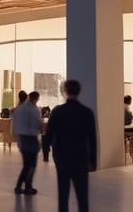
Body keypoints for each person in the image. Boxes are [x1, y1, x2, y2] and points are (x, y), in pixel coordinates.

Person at [43, 80, 97, 212]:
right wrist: (93, 161)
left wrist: (46, 152)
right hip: (80, 157)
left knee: (63, 193)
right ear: (79, 92)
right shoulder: (87, 112)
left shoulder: (57, 111)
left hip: (62, 157)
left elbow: (48, 134)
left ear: (65, 92)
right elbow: (92, 138)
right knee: (82, 194)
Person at [12, 91, 42, 196]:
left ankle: (23, 186)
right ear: (37, 98)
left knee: (27, 165)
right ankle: (25, 186)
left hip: (22, 139)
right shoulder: (35, 110)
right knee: (31, 165)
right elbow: (38, 124)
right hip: (32, 140)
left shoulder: (19, 108)